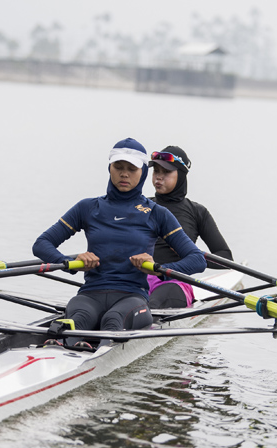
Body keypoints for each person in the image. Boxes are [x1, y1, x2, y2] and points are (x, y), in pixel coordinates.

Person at [31, 138, 207, 349]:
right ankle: (60, 346)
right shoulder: (87, 207)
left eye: (132, 169)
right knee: (76, 320)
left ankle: (89, 349)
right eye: (119, 167)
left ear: (142, 172)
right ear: (110, 169)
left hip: (132, 297)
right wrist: (69, 261)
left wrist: (159, 269)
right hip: (89, 295)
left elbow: (197, 260)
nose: (124, 174)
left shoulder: (157, 214)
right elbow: (42, 244)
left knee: (113, 320)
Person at [147, 145, 233, 309]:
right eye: (156, 171)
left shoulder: (197, 212)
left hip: (175, 283)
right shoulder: (140, 206)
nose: (158, 177)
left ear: (181, 175)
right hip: (140, 278)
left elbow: (226, 258)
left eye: (166, 172)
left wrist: (192, 255)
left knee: (155, 303)